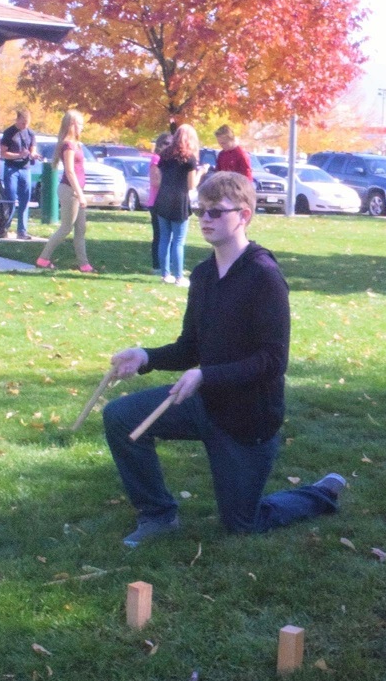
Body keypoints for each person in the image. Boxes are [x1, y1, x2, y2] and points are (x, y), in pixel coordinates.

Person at [103, 170, 345, 547]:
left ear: (244, 215)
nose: (205, 220)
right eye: (201, 211)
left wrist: (206, 376)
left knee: (242, 524)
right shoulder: (202, 275)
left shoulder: (264, 276)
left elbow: (273, 360)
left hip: (248, 418)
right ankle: (157, 515)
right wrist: (144, 356)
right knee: (120, 416)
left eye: (216, 212)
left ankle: (320, 493)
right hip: (206, 403)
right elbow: (190, 347)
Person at [36, 110, 94, 273]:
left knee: (81, 228)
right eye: (80, 124)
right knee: (66, 228)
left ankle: (84, 264)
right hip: (70, 190)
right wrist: (79, 193)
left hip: (76, 190)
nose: (82, 127)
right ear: (71, 125)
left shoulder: (76, 144)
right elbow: (69, 171)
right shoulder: (68, 145)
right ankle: (43, 258)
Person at [153, 124, 206, 286]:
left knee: (164, 238)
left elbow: (161, 178)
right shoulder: (189, 158)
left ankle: (165, 274)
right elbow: (191, 185)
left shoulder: (164, 155)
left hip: (163, 199)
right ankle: (179, 277)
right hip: (180, 201)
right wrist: (201, 172)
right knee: (178, 240)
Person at [0, 109, 38, 240]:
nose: (24, 126)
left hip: (25, 169)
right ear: (17, 120)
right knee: (10, 198)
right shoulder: (9, 133)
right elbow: (3, 153)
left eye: (27, 123)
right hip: (12, 169)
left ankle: (22, 231)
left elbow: (32, 148)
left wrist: (33, 154)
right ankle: (4, 228)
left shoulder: (30, 133)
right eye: (22, 123)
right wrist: (18, 155)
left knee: (24, 200)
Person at [147, 133, 171, 273]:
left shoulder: (167, 160)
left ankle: (166, 264)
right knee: (159, 234)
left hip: (165, 201)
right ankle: (157, 265)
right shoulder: (156, 159)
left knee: (167, 234)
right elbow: (155, 181)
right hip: (156, 201)